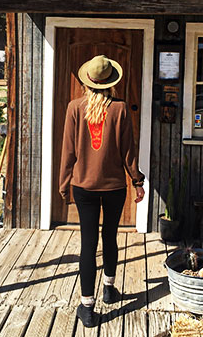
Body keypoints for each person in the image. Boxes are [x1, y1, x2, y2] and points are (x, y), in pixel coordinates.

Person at [59, 54, 145, 328]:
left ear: (88, 81)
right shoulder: (119, 109)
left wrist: (63, 183)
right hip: (114, 187)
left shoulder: (75, 107)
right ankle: (108, 289)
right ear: (110, 82)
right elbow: (128, 150)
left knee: (88, 244)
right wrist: (137, 181)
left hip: (83, 186)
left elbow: (68, 150)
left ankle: (87, 307)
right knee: (110, 237)